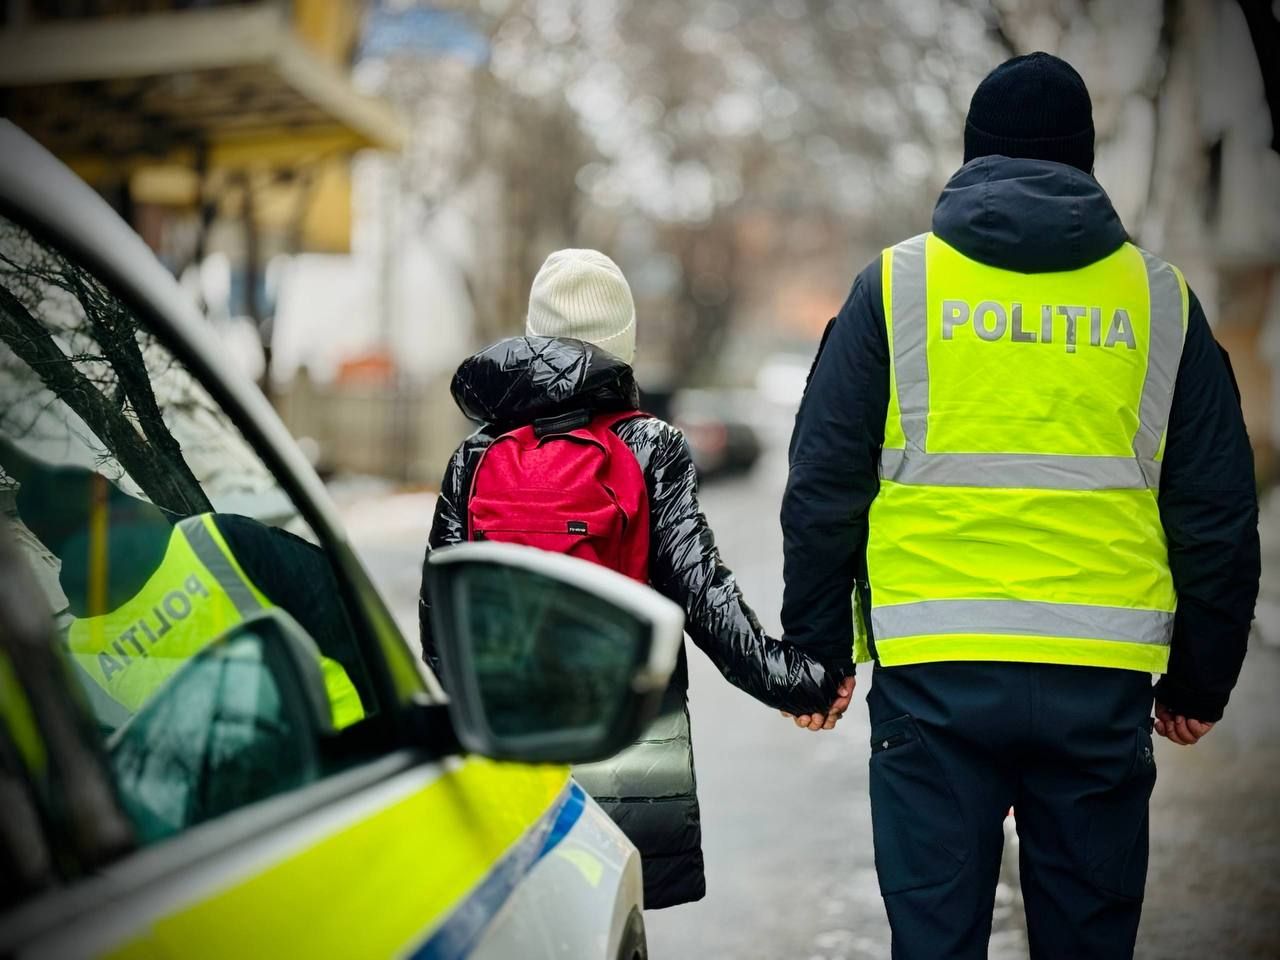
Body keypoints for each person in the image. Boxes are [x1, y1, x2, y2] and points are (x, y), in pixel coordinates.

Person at [781, 53, 1259, 959]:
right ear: (1085, 162)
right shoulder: (1160, 302)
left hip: (936, 674)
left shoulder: (895, 289)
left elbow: (823, 486)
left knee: (935, 941)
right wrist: (1202, 677)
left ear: (974, 157)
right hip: (1097, 681)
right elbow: (1217, 513)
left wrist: (815, 653)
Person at [419, 248, 854, 909]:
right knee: (609, 916)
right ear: (620, 346)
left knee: (530, 922)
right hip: (625, 741)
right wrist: (800, 682)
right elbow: (702, 594)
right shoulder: (649, 445)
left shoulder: (474, 455)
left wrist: (494, 713)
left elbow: (439, 620)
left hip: (506, 743)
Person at [1, 445, 368, 732]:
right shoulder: (219, 541)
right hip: (345, 757)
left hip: (232, 808)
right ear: (107, 493)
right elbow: (358, 624)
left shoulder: (74, 651)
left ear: (48, 543)